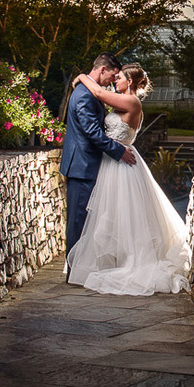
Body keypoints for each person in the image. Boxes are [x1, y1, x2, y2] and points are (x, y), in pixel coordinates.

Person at [64, 62, 190, 295]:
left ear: (129, 82)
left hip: (121, 161)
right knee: (110, 215)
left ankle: (127, 262)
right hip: (111, 162)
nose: (115, 80)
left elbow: (99, 93)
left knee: (124, 214)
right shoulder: (121, 98)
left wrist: (82, 75)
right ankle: (110, 260)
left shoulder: (132, 102)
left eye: (119, 77)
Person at [59, 53, 138, 277]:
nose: (112, 81)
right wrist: (118, 151)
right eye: (111, 76)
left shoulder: (90, 90)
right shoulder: (84, 94)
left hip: (91, 165)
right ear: (103, 69)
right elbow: (92, 133)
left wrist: (82, 77)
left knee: (88, 220)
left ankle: (84, 268)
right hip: (82, 166)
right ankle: (74, 272)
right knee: (78, 220)